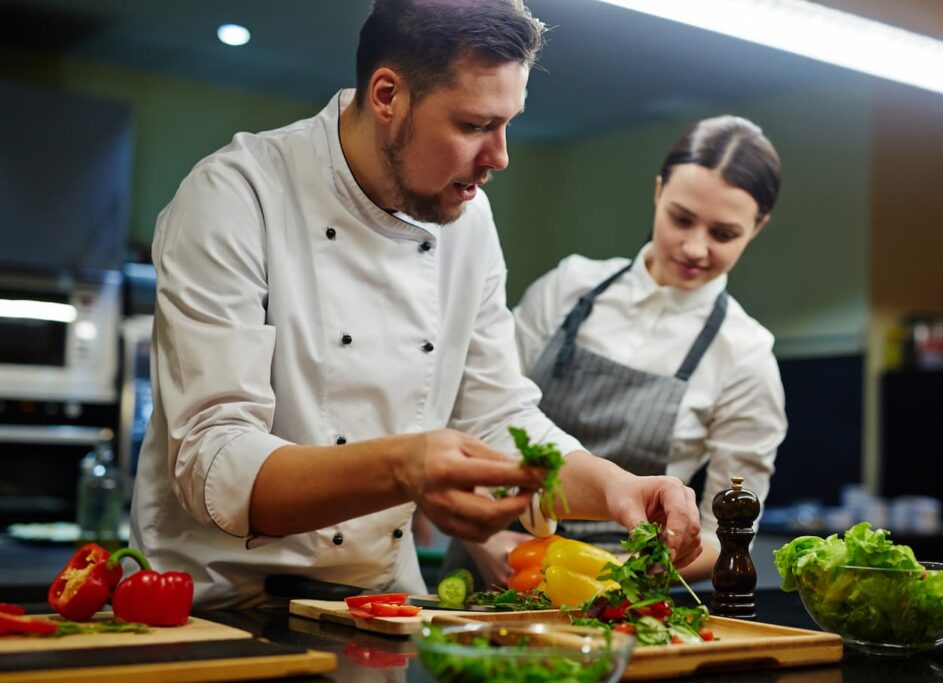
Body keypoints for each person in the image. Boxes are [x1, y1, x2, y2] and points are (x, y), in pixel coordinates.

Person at [129, 0, 703, 609]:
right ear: (387, 96)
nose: (500, 156)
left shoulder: (468, 218)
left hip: (377, 608)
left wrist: (619, 487)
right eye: (475, 125)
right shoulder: (235, 196)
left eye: (509, 122)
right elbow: (214, 461)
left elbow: (498, 418)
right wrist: (405, 467)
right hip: (213, 609)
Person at [449, 115, 787, 587]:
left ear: (759, 227)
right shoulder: (568, 289)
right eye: (681, 218)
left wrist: (616, 576)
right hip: (489, 558)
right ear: (657, 192)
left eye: (723, 234)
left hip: (615, 592)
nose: (695, 247)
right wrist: (482, 541)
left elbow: (726, 535)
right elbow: (473, 416)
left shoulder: (747, 358)